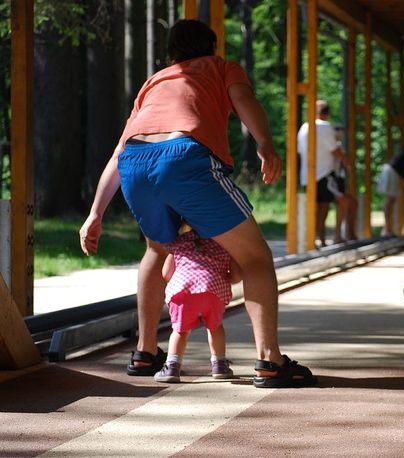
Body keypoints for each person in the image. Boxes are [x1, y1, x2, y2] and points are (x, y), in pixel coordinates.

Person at [79, 19, 316, 388]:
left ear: (171, 53)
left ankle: (144, 353)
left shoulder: (154, 81)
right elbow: (243, 99)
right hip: (184, 156)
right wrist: (265, 144)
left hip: (135, 163)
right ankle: (270, 361)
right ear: (213, 46)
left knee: (157, 250)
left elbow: (119, 151)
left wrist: (95, 214)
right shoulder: (221, 67)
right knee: (254, 257)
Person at [154, 224, 239, 383]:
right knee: (215, 327)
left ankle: (172, 368)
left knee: (180, 330)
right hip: (214, 291)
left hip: (182, 291)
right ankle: (220, 365)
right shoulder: (224, 243)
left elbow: (166, 273)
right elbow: (236, 276)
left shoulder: (179, 242)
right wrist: (219, 278)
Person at [297, 100, 356, 246]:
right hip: (324, 174)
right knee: (346, 202)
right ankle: (338, 236)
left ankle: (319, 241)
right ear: (327, 114)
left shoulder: (304, 127)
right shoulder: (324, 127)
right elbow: (335, 150)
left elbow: (299, 151)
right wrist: (347, 161)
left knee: (320, 208)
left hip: (308, 176)